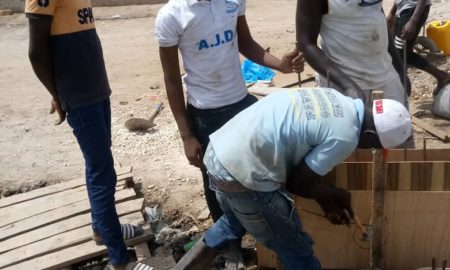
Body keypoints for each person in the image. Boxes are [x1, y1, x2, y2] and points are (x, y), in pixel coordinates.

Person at [175, 87, 412, 270]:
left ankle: (186, 266)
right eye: (373, 146)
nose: (367, 149)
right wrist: (335, 194)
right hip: (243, 173)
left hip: (218, 153)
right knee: (298, 253)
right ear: (370, 134)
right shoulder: (346, 136)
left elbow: (302, 157)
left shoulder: (336, 99)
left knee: (236, 220)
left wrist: (326, 200)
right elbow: (297, 184)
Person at [155, 0, 302, 266]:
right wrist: (187, 134)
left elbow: (245, 42)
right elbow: (171, 79)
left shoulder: (233, 1)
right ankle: (229, 249)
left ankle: (273, 239)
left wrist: (280, 65)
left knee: (266, 171)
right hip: (205, 113)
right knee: (217, 185)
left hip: (241, 103)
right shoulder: (172, 15)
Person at [25, 1, 151, 269]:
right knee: (103, 173)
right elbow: (36, 53)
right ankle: (120, 259)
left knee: (99, 165)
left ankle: (102, 229)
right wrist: (58, 94)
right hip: (79, 98)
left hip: (96, 91)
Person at [296, 0, 410, 106]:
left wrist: (400, 70)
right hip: (344, 87)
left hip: (387, 80)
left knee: (396, 124)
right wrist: (348, 86)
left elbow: (377, 20)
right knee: (356, 126)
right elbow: (306, 44)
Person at [387, 0, 450, 94]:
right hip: (404, 9)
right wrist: (393, 12)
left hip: (413, 10)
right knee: (402, 52)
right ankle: (441, 76)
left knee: (400, 53)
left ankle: (403, 90)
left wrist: (413, 21)